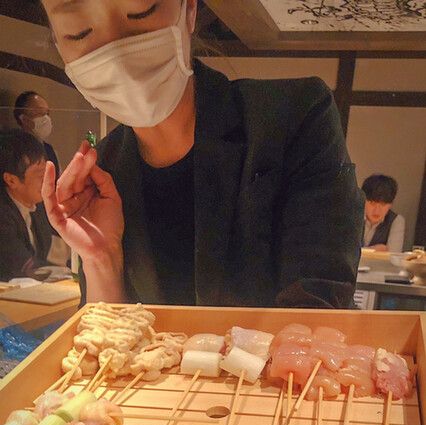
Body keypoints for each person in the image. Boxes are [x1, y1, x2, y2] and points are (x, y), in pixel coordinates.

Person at [40, 0, 364, 308]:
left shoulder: (296, 114)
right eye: (78, 32)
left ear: (190, 9)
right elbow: (107, 338)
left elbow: (317, 307)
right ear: (57, 41)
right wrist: (101, 258)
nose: (115, 54)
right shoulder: (100, 172)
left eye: (141, 11)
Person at [0, 130, 54, 281]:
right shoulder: (3, 214)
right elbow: (22, 265)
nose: (47, 180)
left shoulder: (38, 206)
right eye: (40, 175)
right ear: (11, 180)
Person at [14, 91, 60, 179]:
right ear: (24, 119)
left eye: (47, 114)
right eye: (40, 113)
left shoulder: (51, 151)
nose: (46, 118)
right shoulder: (13, 150)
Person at [361, 174, 405, 253]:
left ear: (391, 203)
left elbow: (393, 254)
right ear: (363, 200)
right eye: (372, 203)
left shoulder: (396, 220)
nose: (377, 210)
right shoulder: (352, 216)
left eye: (383, 204)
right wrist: (374, 250)